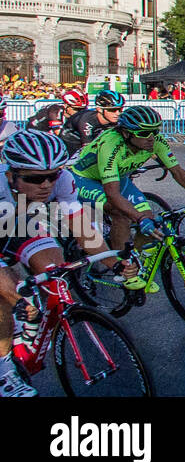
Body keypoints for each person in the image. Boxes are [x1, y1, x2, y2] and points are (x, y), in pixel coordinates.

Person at [0, 130, 104, 397]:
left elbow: (82, 226)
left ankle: (29, 328)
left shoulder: (62, 179)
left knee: (55, 273)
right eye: (35, 179)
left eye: (52, 176)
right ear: (11, 175)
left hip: (20, 222)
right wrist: (16, 299)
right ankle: (4, 371)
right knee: (6, 298)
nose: (46, 185)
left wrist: (115, 263)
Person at [70, 105, 185, 287]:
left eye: (154, 131)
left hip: (119, 176)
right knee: (119, 213)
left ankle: (132, 259)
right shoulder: (110, 144)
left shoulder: (155, 140)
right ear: (126, 133)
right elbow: (112, 194)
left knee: (151, 224)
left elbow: (178, 172)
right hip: (84, 179)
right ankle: (122, 269)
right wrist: (138, 217)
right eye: (144, 133)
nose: (151, 138)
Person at [61, 88, 124, 158]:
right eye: (113, 110)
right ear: (99, 109)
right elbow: (88, 150)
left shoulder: (116, 119)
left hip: (89, 139)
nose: (118, 113)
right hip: (69, 144)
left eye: (120, 109)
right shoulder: (86, 121)